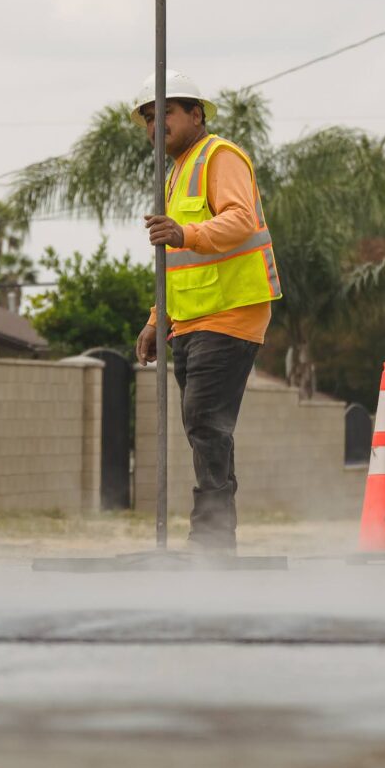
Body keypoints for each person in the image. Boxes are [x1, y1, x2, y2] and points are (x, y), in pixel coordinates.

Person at [131, 70, 281, 551]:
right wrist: (159, 319)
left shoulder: (220, 156)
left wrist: (185, 232)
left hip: (231, 310)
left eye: (166, 113)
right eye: (150, 118)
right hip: (191, 319)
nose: (157, 125)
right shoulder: (176, 174)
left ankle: (212, 540)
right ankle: (216, 537)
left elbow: (239, 218)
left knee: (205, 421)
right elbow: (177, 264)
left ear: (196, 115)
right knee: (204, 427)